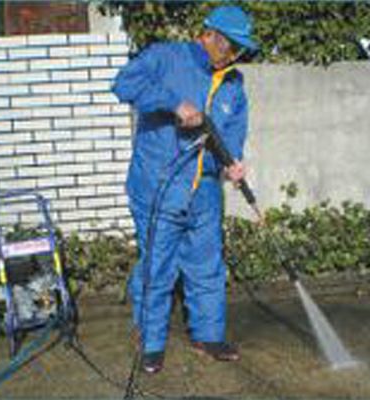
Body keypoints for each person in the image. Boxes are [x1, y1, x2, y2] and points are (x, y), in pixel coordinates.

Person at [112, 5, 259, 374]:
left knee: (207, 266)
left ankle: (208, 336)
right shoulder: (166, 57)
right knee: (157, 267)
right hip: (159, 186)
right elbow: (124, 83)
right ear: (210, 36)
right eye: (230, 46)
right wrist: (173, 103)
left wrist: (232, 162)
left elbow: (233, 130)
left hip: (204, 191)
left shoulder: (233, 83)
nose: (234, 55)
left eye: (239, 49)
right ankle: (151, 342)